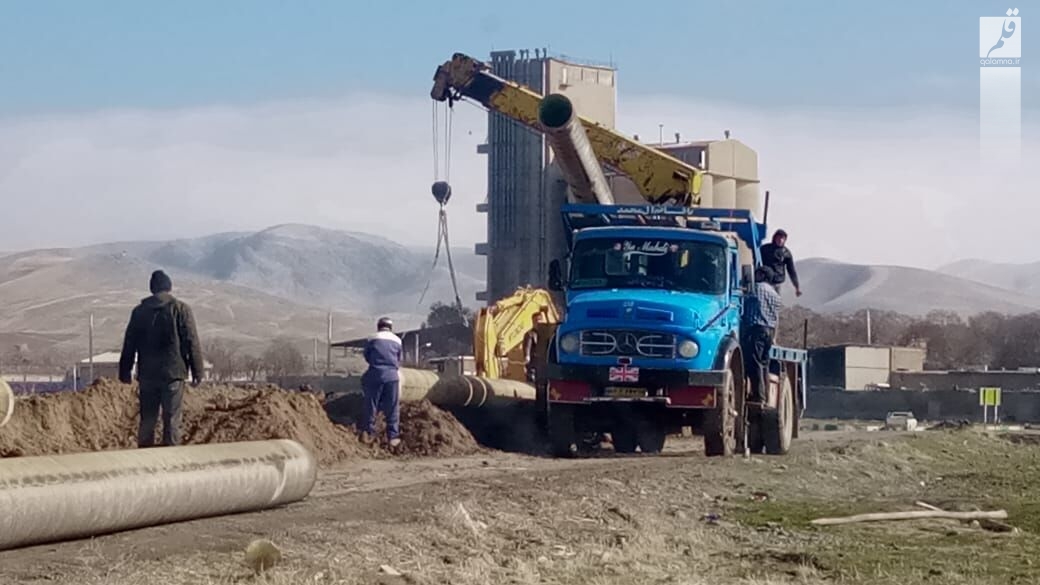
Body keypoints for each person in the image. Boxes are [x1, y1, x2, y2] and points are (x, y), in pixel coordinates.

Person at [118, 270, 204, 448]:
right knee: (172, 419)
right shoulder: (181, 310)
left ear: (152, 289)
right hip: (173, 374)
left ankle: (145, 460)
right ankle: (170, 462)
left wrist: (124, 372)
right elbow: (191, 341)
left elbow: (129, 343)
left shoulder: (139, 312)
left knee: (147, 420)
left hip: (148, 375)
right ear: (169, 287)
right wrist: (198, 370)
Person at [360, 317, 403, 447]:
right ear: (391, 327)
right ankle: (393, 437)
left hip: (375, 375)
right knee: (393, 407)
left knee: (371, 404)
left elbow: (367, 356)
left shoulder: (372, 338)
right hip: (392, 377)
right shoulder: (398, 340)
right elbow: (399, 359)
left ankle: (369, 433)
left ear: (378, 326)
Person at [742, 266, 783, 405]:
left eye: (757, 273)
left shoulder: (757, 288)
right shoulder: (775, 294)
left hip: (756, 330)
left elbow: (743, 301)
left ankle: (758, 397)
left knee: (755, 363)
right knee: (764, 364)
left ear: (761, 275)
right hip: (769, 331)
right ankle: (764, 395)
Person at [759, 229, 802, 296]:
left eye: (783, 238)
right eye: (779, 237)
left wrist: (797, 287)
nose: (780, 240)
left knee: (775, 302)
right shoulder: (765, 249)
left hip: (777, 281)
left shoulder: (786, 253)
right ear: (775, 238)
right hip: (765, 281)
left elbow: (791, 271)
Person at [523, 312, 547, 383]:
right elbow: (527, 346)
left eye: (540, 319)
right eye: (536, 320)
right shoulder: (530, 334)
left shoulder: (545, 334)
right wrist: (527, 356)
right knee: (532, 380)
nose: (538, 322)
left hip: (543, 362)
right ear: (533, 322)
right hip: (533, 362)